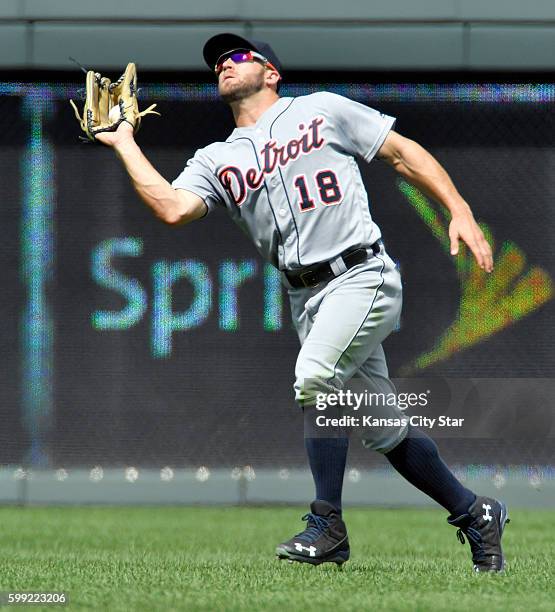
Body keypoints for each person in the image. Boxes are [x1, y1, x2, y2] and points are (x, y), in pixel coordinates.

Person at [95, 33, 509, 572]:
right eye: (217, 61)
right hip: (305, 298)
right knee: (382, 426)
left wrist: (457, 207)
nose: (224, 63)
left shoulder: (321, 110)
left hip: (360, 275)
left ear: (271, 72)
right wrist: (126, 142)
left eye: (238, 55)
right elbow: (172, 208)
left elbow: (401, 153)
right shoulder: (216, 158)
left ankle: (327, 523)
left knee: (314, 376)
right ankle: (476, 513)